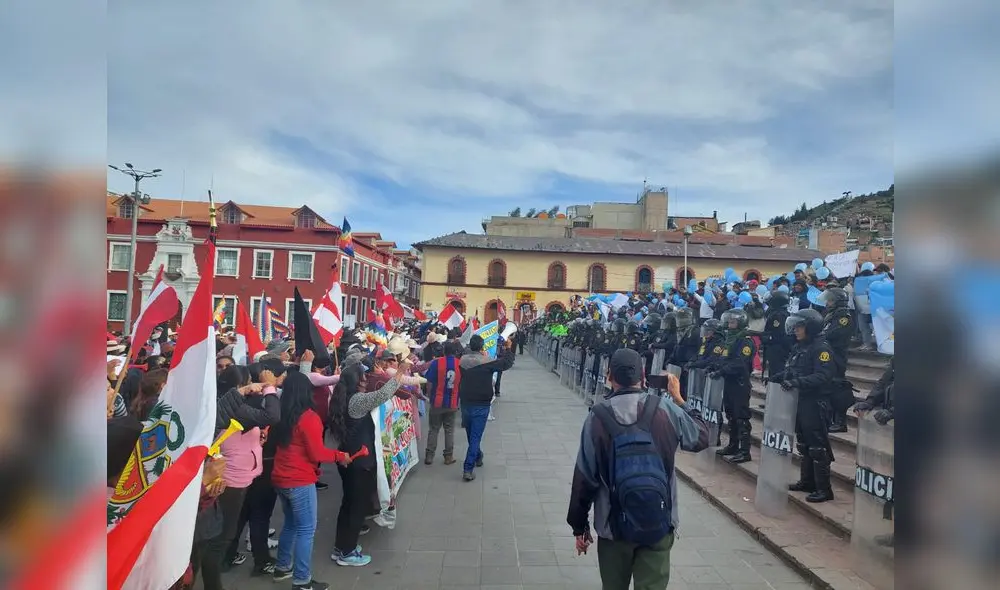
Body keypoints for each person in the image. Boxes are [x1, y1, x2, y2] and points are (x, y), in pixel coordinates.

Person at [566, 348, 709, 590]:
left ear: (609, 376)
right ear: (644, 377)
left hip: (613, 528)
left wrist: (579, 526)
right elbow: (701, 437)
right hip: (659, 521)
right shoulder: (665, 409)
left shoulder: (597, 417)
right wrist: (678, 398)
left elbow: (585, 477)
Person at [269, 371, 351, 590]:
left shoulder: (281, 415)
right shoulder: (308, 417)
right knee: (306, 529)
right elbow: (317, 454)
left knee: (291, 524)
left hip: (281, 477)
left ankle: (283, 567)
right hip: (299, 480)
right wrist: (338, 455)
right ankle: (302, 580)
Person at [328, 363, 404, 567]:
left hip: (347, 458)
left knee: (348, 504)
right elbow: (382, 395)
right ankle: (347, 552)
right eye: (363, 377)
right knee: (357, 507)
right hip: (360, 462)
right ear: (356, 381)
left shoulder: (340, 398)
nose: (365, 380)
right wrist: (400, 372)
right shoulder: (357, 401)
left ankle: (341, 546)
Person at [771, 308, 837, 503]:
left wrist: (797, 383)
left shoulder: (821, 348)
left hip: (815, 402)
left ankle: (824, 489)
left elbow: (823, 376)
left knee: (817, 446)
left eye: (800, 327)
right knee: (803, 443)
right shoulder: (800, 347)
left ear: (811, 327)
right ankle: (807, 481)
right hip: (799, 401)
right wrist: (779, 377)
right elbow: (793, 370)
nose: (796, 331)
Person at [457, 335, 516, 481]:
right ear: (482, 347)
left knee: (471, 434)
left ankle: (478, 455)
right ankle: (468, 468)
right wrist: (509, 348)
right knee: (475, 436)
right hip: (481, 404)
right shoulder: (487, 362)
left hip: (465, 402)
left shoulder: (462, 361)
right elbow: (506, 363)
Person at [711, 309, 756, 464]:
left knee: (741, 416)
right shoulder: (729, 339)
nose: (730, 325)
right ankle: (733, 445)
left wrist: (722, 370)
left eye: (733, 322)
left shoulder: (745, 341)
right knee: (730, 414)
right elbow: (722, 357)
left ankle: (744, 451)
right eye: (729, 322)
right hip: (729, 381)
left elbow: (740, 363)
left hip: (740, 383)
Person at [820, 287, 855, 433]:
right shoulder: (830, 314)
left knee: (837, 388)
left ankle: (840, 421)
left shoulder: (844, 317)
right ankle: (829, 419)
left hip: (837, 356)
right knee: (827, 388)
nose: (827, 302)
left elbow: (832, 333)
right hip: (828, 354)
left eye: (830, 300)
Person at [422, 340, 463, 465]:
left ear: (444, 351)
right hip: (452, 402)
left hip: (437, 401)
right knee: (449, 430)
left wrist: (430, 395)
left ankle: (429, 456)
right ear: (455, 352)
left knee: (434, 429)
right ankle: (448, 457)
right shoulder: (459, 364)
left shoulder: (437, 363)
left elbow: (429, 381)